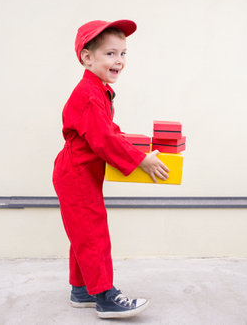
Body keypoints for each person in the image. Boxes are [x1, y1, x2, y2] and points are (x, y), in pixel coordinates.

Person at [52, 19, 169, 319]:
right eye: (110, 54)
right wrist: (141, 159)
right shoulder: (90, 94)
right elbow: (103, 140)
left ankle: (82, 290)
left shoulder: (97, 90)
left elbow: (108, 130)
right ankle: (105, 296)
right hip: (76, 174)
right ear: (87, 57)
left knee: (84, 232)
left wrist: (136, 145)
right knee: (93, 234)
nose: (119, 61)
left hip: (80, 173)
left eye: (123, 54)